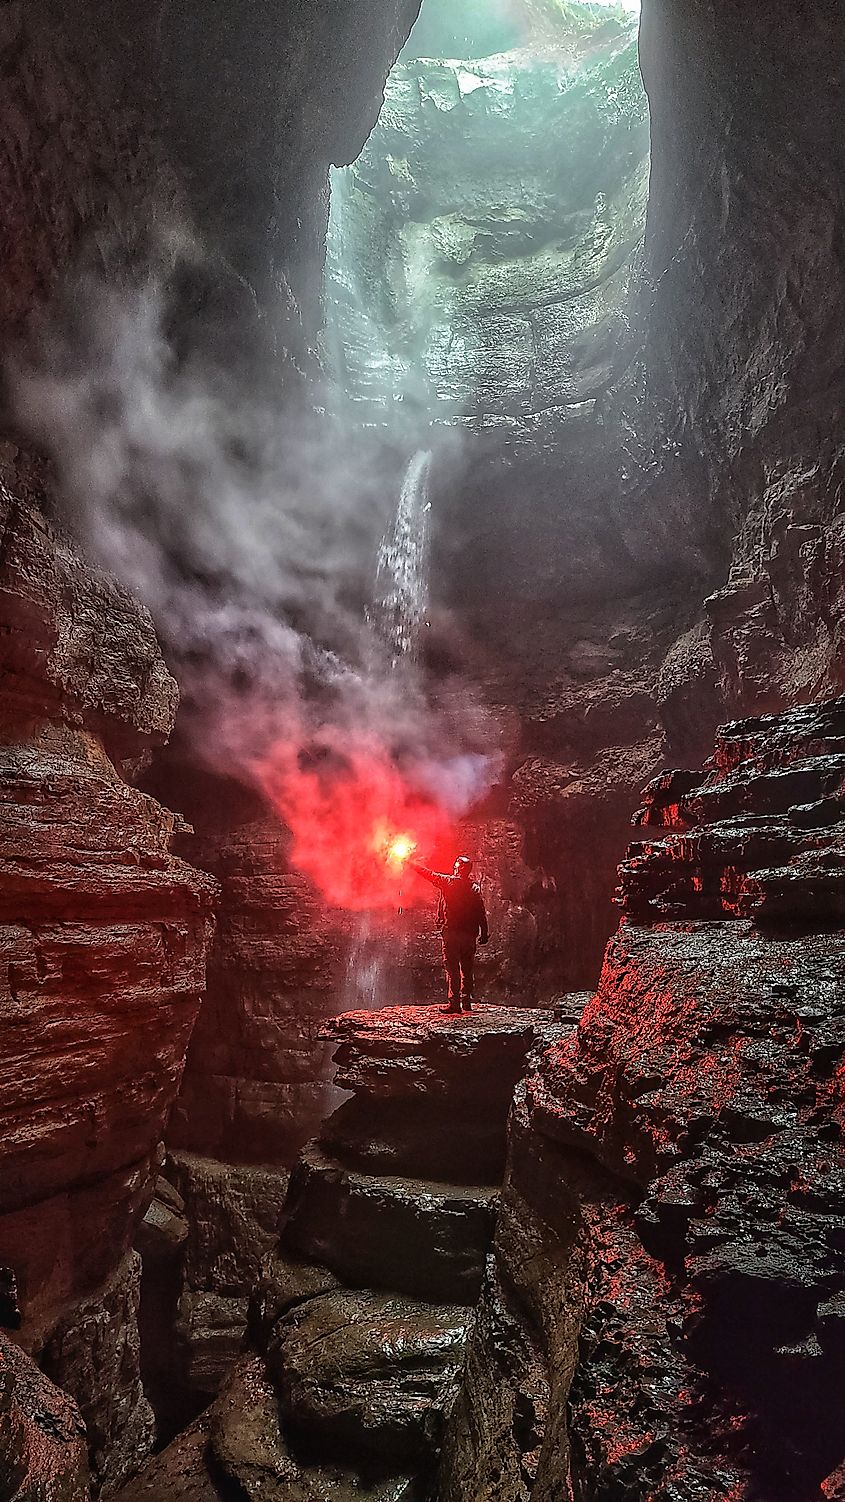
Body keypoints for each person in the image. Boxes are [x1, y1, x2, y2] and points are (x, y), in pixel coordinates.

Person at [410, 855, 489, 1013]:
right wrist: (484, 932)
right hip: (469, 935)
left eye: (455, 866)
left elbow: (428, 874)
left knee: (452, 968)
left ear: (459, 868)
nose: (453, 868)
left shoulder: (448, 882)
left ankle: (454, 1003)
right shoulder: (474, 888)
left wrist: (409, 862)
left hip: (452, 934)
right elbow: (481, 912)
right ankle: (466, 1001)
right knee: (467, 968)